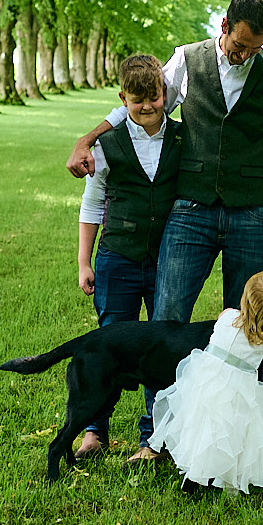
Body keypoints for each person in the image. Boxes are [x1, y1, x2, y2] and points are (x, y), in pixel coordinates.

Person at [65, 0, 263, 460]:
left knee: (251, 328)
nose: (244, 55)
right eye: (238, 45)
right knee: (166, 319)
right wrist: (88, 138)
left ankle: (238, 437)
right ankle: (155, 439)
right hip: (190, 211)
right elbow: (144, 101)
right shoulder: (187, 60)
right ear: (224, 26)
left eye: (254, 48)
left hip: (252, 215)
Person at [73, 55, 181, 462]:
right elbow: (92, 204)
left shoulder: (182, 138)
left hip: (165, 259)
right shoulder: (106, 144)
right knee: (110, 345)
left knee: (161, 348)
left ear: (164, 94)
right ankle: (94, 432)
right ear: (123, 99)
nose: (147, 106)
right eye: (137, 101)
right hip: (117, 257)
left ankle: (153, 438)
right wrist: (84, 262)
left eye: (154, 98)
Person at [148, 270, 263, 495]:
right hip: (237, 396)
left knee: (202, 430)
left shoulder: (227, 315)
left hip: (205, 383)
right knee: (235, 436)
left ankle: (194, 474)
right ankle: (230, 483)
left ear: (245, 299)